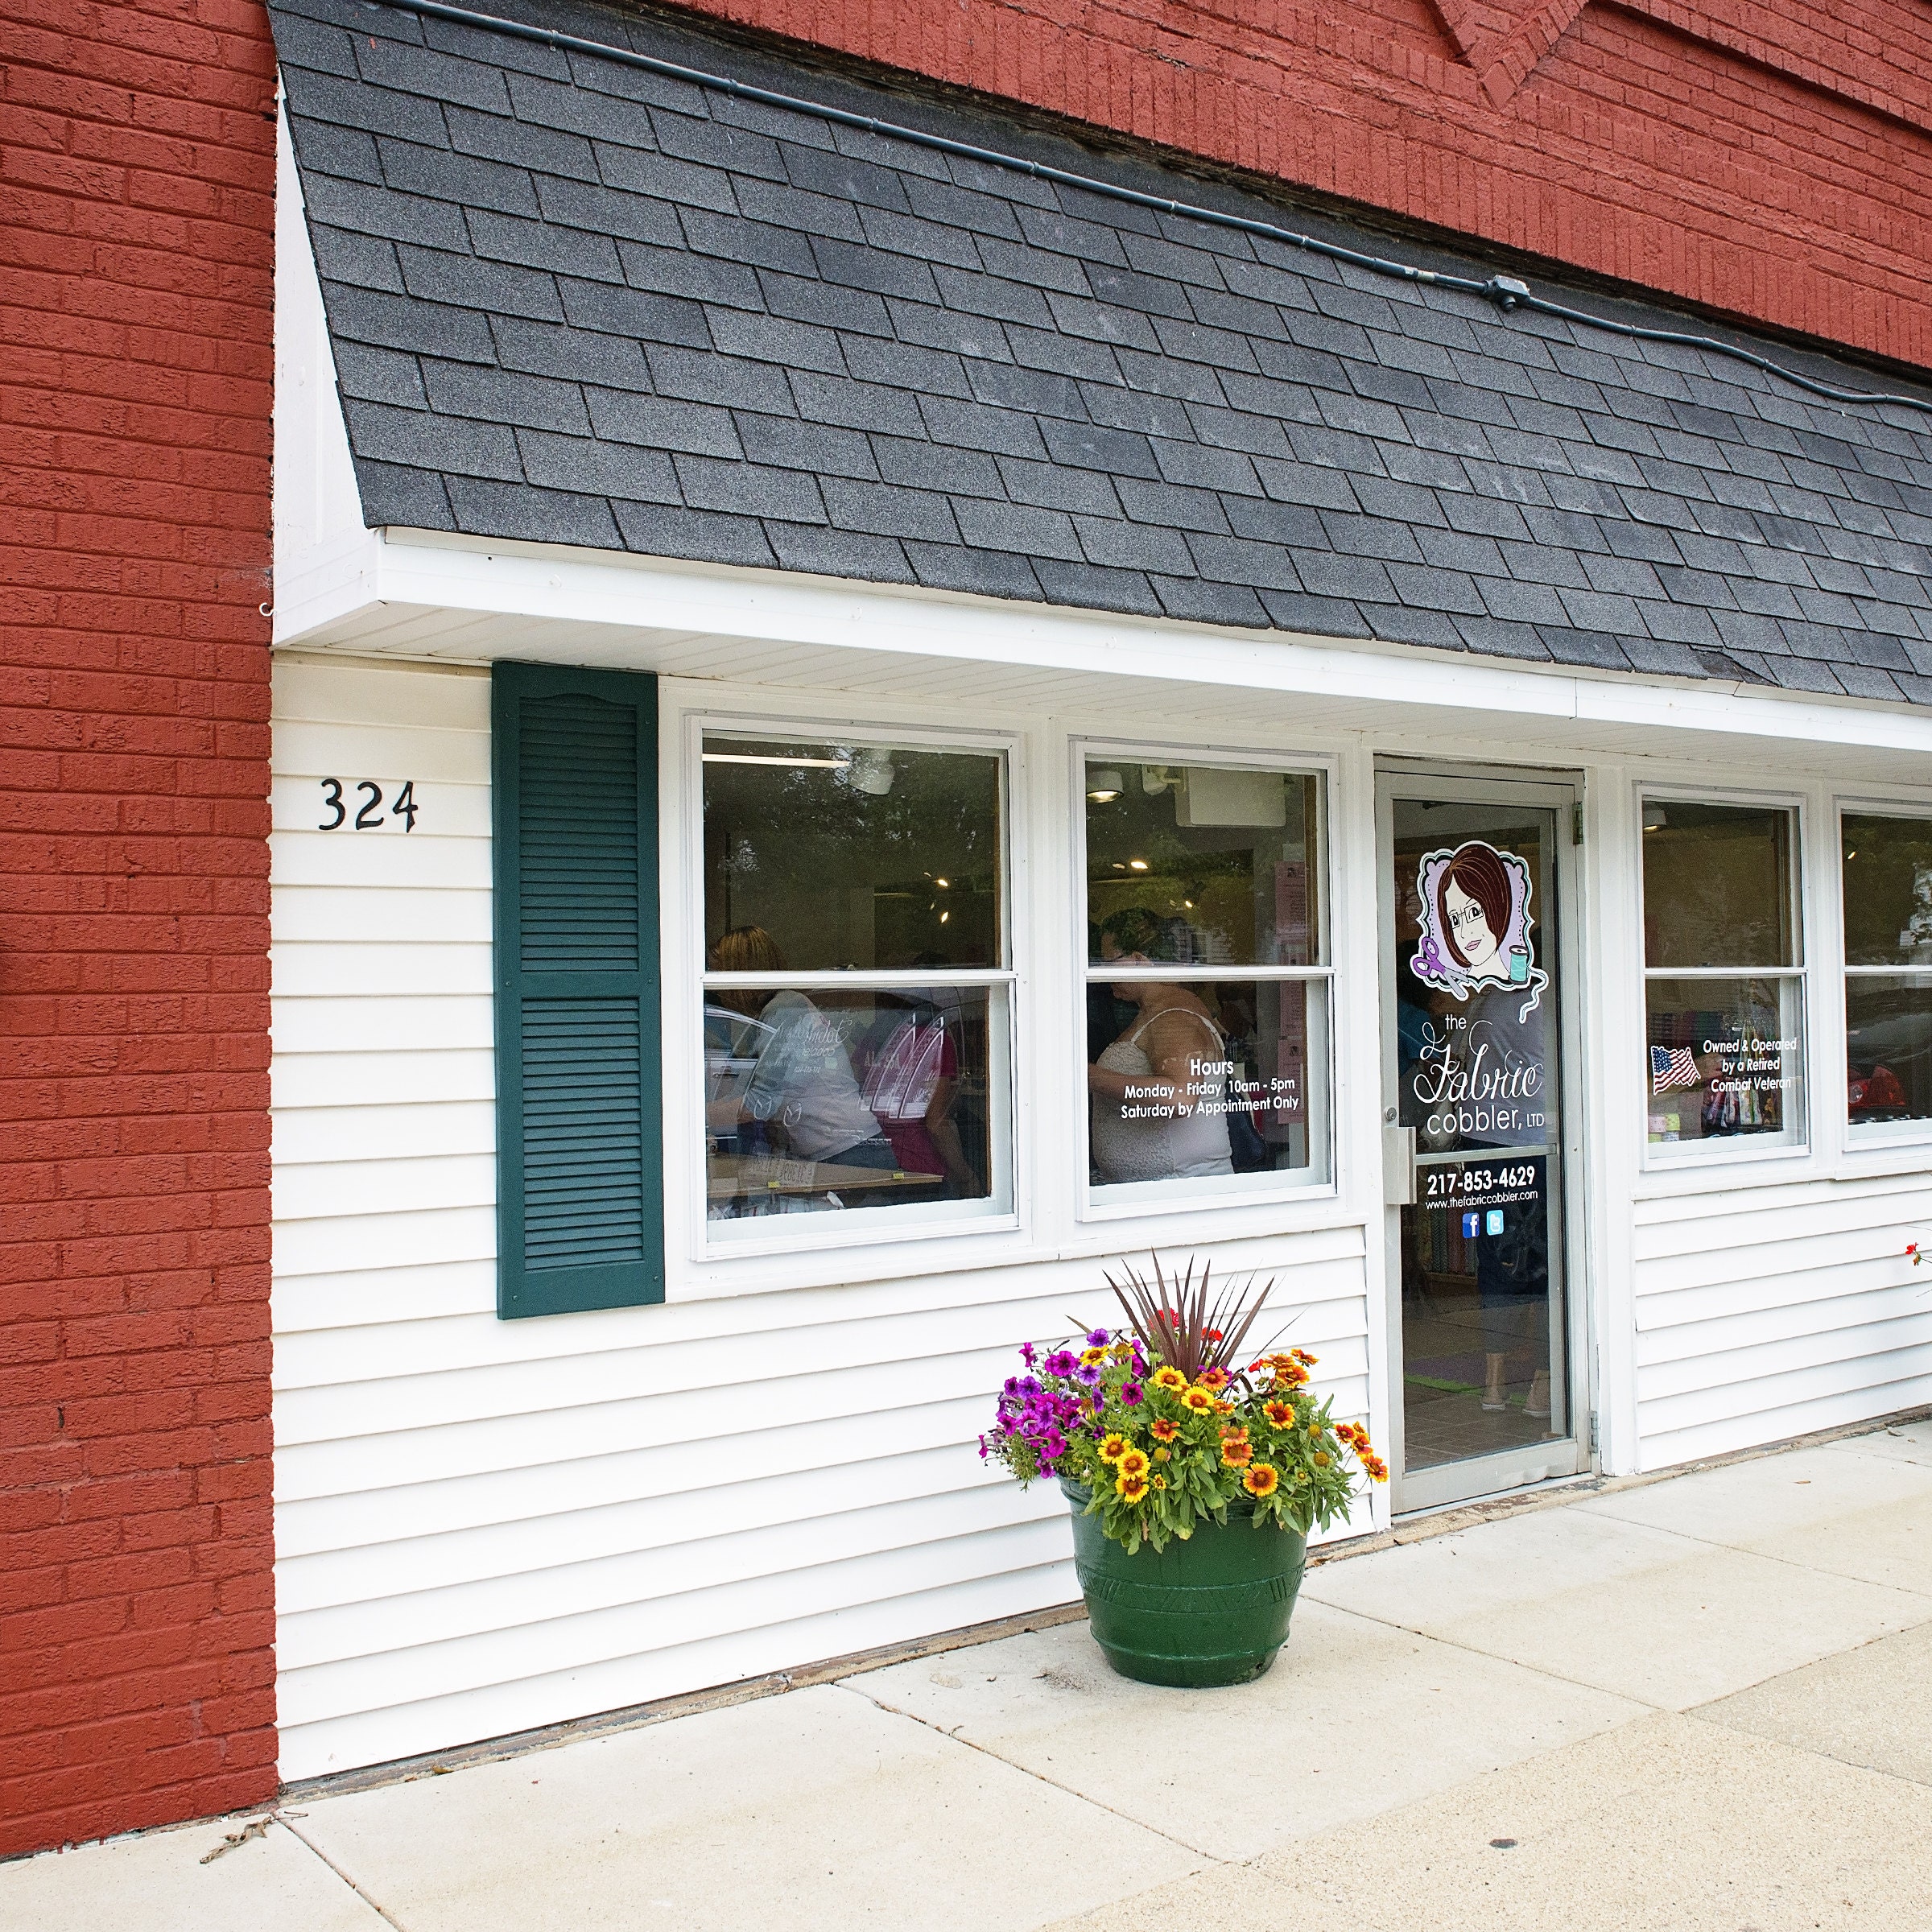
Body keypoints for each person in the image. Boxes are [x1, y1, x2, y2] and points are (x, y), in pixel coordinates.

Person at [705, 927, 897, 1179]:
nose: (717, 990)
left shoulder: (786, 1009)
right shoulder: (773, 1013)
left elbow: (761, 1103)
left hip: (851, 1153)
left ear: (740, 973)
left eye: (719, 975)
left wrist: (696, 1116)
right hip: (845, 1148)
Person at [1088, 907, 1233, 1183]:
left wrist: (1090, 1076)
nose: (1101, 973)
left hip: (1180, 1190)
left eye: (1108, 962)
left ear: (1139, 961)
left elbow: (1180, 1097)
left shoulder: (1173, 1017)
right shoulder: (1158, 1011)